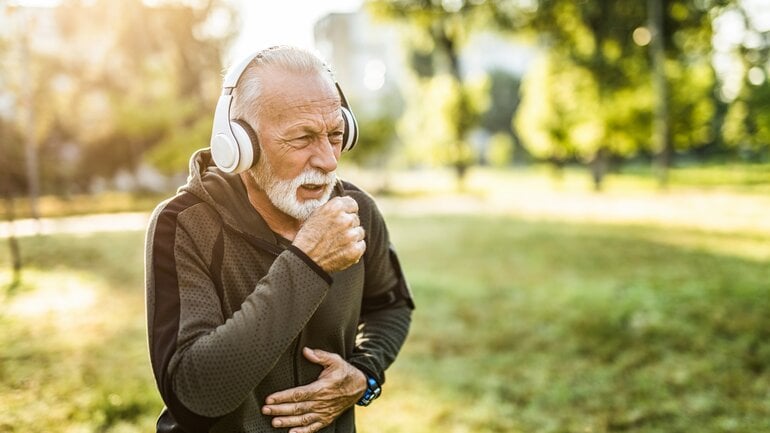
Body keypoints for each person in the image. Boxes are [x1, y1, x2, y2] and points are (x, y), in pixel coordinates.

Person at [144, 46, 414, 433]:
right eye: (302, 138)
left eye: (335, 134)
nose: (328, 160)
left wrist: (364, 373)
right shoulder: (183, 225)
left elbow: (391, 305)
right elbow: (195, 397)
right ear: (239, 145)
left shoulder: (357, 211)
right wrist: (308, 263)